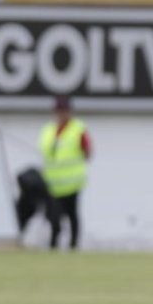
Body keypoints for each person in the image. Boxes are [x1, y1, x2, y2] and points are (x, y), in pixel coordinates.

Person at [37, 94, 90, 249]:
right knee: (54, 218)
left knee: (72, 215)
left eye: (64, 110)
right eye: (59, 110)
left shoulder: (78, 129)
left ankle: (73, 245)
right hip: (53, 183)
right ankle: (53, 245)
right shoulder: (48, 130)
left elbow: (87, 151)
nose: (61, 114)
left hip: (72, 183)